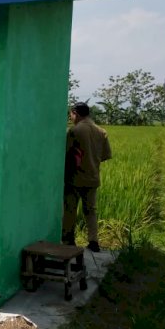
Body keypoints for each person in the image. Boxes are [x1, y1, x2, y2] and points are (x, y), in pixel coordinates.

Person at [62, 102, 112, 252]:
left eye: (71, 114)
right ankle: (93, 241)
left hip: (75, 178)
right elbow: (104, 156)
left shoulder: (74, 131)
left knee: (70, 209)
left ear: (75, 113)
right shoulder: (101, 131)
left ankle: (68, 241)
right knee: (90, 211)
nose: (70, 118)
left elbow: (67, 154)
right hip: (93, 178)